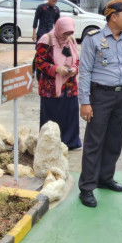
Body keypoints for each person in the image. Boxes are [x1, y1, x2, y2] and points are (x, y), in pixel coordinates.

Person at [77, 0, 122, 208]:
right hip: (100, 96)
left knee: (114, 140)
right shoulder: (93, 39)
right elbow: (84, 71)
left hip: (121, 96)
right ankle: (86, 188)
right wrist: (85, 102)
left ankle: (105, 178)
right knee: (94, 142)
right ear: (114, 17)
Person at [34, 16, 82, 150]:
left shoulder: (71, 40)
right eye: (65, 33)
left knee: (70, 113)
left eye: (70, 33)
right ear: (59, 29)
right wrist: (56, 69)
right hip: (51, 87)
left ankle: (71, 142)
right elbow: (39, 62)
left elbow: (76, 60)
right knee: (52, 116)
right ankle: (51, 144)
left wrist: (74, 69)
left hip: (69, 85)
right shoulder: (46, 40)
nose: (67, 36)